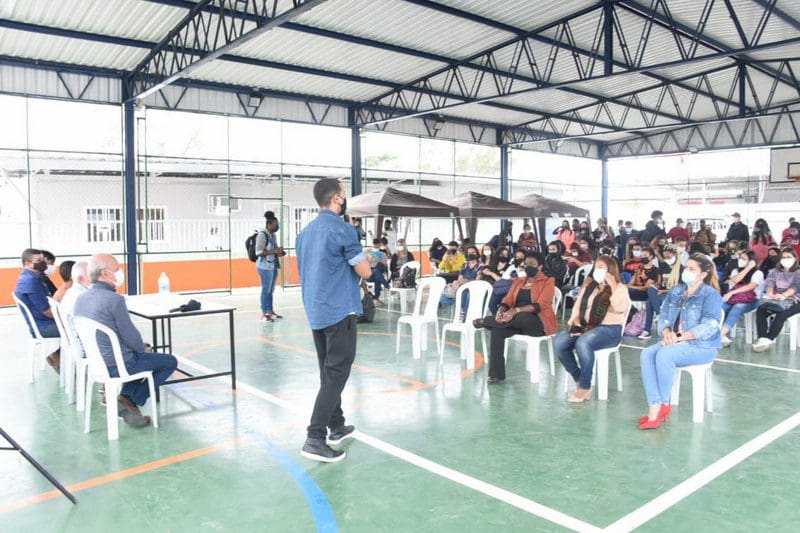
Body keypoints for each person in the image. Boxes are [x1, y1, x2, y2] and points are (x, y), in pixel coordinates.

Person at [295, 178, 371, 463]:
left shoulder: (305, 233)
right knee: (336, 373)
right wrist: (369, 262)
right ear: (338, 198)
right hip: (339, 311)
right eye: (344, 194)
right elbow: (363, 271)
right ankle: (315, 436)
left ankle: (336, 425)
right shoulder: (343, 229)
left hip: (316, 311)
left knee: (328, 371)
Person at [73, 254, 178, 428]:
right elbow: (132, 338)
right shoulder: (114, 300)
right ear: (106, 273)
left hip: (97, 363)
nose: (120, 273)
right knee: (168, 361)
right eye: (117, 270)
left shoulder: (81, 298)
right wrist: (143, 348)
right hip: (119, 364)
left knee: (139, 357)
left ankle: (126, 399)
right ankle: (133, 399)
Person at [638, 254, 722, 429]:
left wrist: (680, 337)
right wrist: (667, 332)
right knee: (647, 353)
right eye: (686, 267)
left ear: (703, 274)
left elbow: (710, 325)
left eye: (692, 269)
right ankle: (656, 405)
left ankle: (660, 406)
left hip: (702, 345)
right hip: (675, 341)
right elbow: (664, 316)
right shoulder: (676, 291)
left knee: (664, 355)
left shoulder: (710, 294)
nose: (687, 271)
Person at [556, 255, 631, 402]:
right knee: (560, 342)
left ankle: (585, 386)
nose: (597, 270)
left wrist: (613, 286)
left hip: (609, 330)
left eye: (601, 267)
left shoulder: (620, 288)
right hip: (586, 327)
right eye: (596, 267)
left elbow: (621, 307)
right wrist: (575, 321)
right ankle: (578, 378)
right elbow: (577, 307)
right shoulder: (590, 287)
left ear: (610, 270)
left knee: (583, 342)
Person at [473, 252, 557, 383]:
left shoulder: (548, 281)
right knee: (497, 331)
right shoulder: (518, 281)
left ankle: (487, 321)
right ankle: (496, 374)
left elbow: (541, 305)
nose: (528, 266)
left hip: (537, 323)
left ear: (540, 267)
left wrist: (515, 311)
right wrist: (501, 311)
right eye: (526, 263)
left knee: (522, 317)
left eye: (532, 264)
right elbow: (508, 300)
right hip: (513, 322)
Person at [14, 248, 60, 373]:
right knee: (77, 330)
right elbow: (47, 311)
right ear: (27, 264)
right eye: (38, 260)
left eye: (42, 260)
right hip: (43, 326)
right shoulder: (31, 281)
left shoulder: (32, 277)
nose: (43, 263)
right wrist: (66, 318)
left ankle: (57, 356)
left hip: (43, 323)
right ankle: (58, 358)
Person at [752, 247, 800, 352]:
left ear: (795, 259)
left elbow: (795, 287)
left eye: (788, 257)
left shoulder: (798, 272)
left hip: (795, 300)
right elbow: (770, 283)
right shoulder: (774, 271)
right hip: (777, 299)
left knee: (782, 313)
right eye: (783, 257)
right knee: (761, 310)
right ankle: (762, 338)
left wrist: (784, 295)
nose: (785, 259)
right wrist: (770, 294)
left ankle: (769, 339)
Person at [720, 248, 763, 347]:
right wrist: (746, 269)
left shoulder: (758, 273)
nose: (741, 260)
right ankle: (717, 333)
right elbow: (735, 280)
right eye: (740, 258)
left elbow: (751, 286)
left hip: (751, 300)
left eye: (744, 259)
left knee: (737, 308)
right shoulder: (736, 271)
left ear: (751, 261)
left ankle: (720, 335)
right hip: (734, 298)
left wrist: (749, 268)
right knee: (720, 308)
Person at [640, 245, 682, 340]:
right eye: (665, 257)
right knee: (651, 290)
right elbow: (659, 283)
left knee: (649, 302)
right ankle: (659, 314)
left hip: (673, 294)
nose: (666, 259)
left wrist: (664, 290)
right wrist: (655, 286)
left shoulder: (681, 269)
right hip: (661, 292)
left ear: (675, 255)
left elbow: (680, 289)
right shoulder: (663, 266)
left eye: (669, 257)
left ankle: (648, 329)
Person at [255, 211, 284, 322]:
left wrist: (279, 251)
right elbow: (258, 252)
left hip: (272, 266)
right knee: (265, 290)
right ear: (269, 224)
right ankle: (264, 313)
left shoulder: (273, 235)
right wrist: (273, 251)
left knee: (270, 291)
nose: (278, 227)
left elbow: (274, 249)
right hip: (264, 267)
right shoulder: (262, 235)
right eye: (276, 225)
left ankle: (270, 311)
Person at [440, 245, 483, 314]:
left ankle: (462, 312)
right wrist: (460, 282)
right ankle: (459, 308)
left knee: (464, 292)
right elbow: (460, 278)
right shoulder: (465, 265)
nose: (470, 254)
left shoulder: (480, 266)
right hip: (461, 285)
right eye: (468, 253)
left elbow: (477, 281)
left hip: (472, 287)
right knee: (443, 298)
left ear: (477, 254)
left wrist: (465, 282)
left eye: (473, 253)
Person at [367, 238, 391, 305]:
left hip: (377, 272)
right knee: (377, 272)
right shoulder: (367, 252)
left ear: (379, 245)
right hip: (368, 274)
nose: (375, 247)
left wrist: (380, 261)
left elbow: (384, 266)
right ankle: (386, 285)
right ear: (372, 244)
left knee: (377, 273)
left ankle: (376, 298)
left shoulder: (382, 253)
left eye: (377, 245)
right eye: (374, 245)